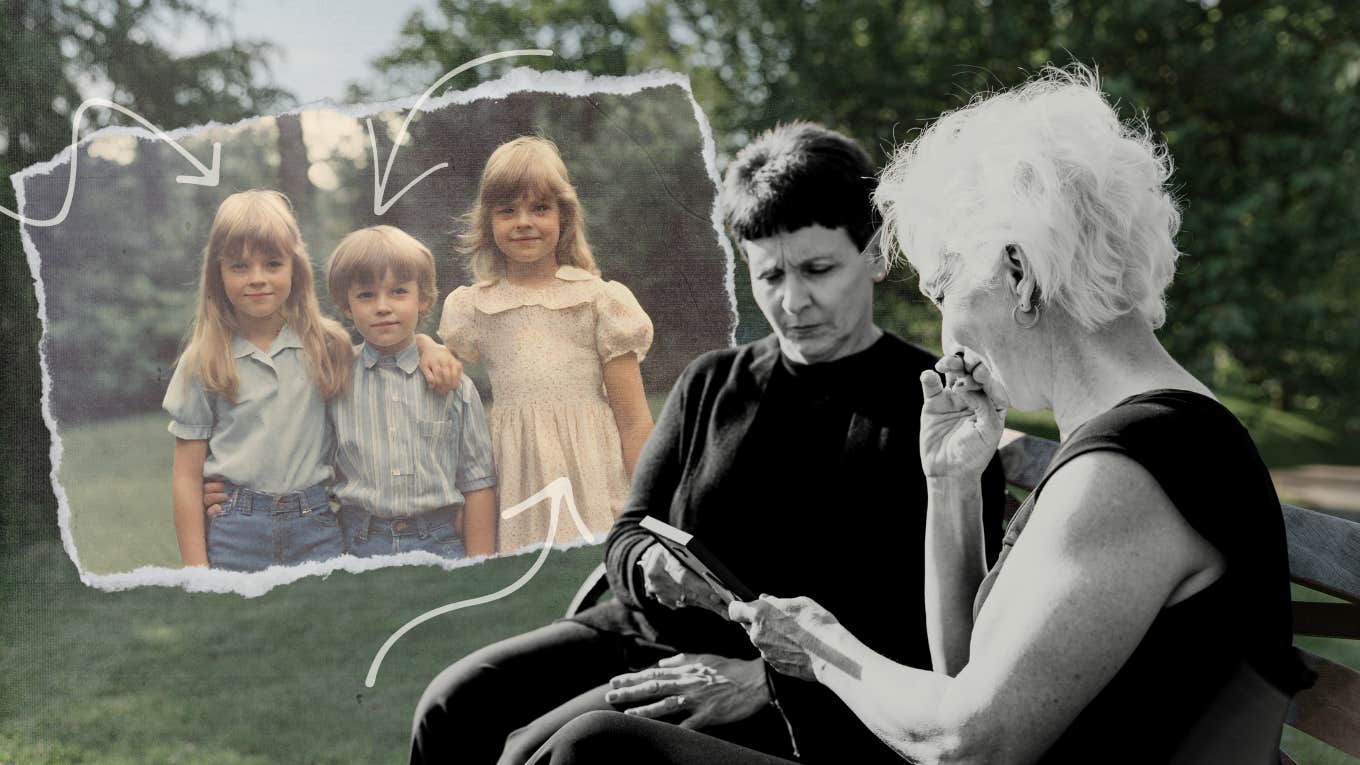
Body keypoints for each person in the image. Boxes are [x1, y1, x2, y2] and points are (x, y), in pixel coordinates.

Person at [532, 67, 1311, 765]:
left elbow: (968, 742)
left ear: (1019, 274)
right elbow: (967, 671)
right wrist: (949, 485)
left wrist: (821, 647)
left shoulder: (1135, 466)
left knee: (598, 750)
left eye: (943, 287)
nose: (946, 331)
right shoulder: (1135, 443)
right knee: (586, 743)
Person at [410, 123, 1007, 765]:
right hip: (645, 638)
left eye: (818, 269)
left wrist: (768, 680)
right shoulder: (712, 381)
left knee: (543, 752)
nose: (793, 301)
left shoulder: (930, 408)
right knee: (454, 703)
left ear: (875, 255)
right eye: (769, 274)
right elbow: (630, 532)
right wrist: (649, 569)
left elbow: (936, 625)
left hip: (811, 691)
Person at [169, 190, 460, 572]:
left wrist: (426, 344)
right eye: (239, 266)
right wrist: (196, 572)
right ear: (217, 274)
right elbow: (186, 477)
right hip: (235, 530)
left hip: (317, 526)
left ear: (296, 268)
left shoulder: (327, 345)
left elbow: (384, 356)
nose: (257, 279)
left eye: (272, 264)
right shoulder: (204, 359)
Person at [438, 136, 655, 552]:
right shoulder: (474, 305)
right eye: (507, 210)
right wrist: (428, 347)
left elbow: (633, 421)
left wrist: (648, 503)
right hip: (516, 471)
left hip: (592, 468)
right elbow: (441, 369)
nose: (523, 221)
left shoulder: (599, 300)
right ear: (488, 222)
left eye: (539, 208)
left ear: (563, 217)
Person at [325, 225, 498, 559]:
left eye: (398, 292)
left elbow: (478, 483)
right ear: (346, 306)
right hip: (358, 543)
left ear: (424, 300)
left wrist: (480, 571)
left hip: (439, 541)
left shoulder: (452, 383)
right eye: (365, 295)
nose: (382, 307)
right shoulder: (335, 380)